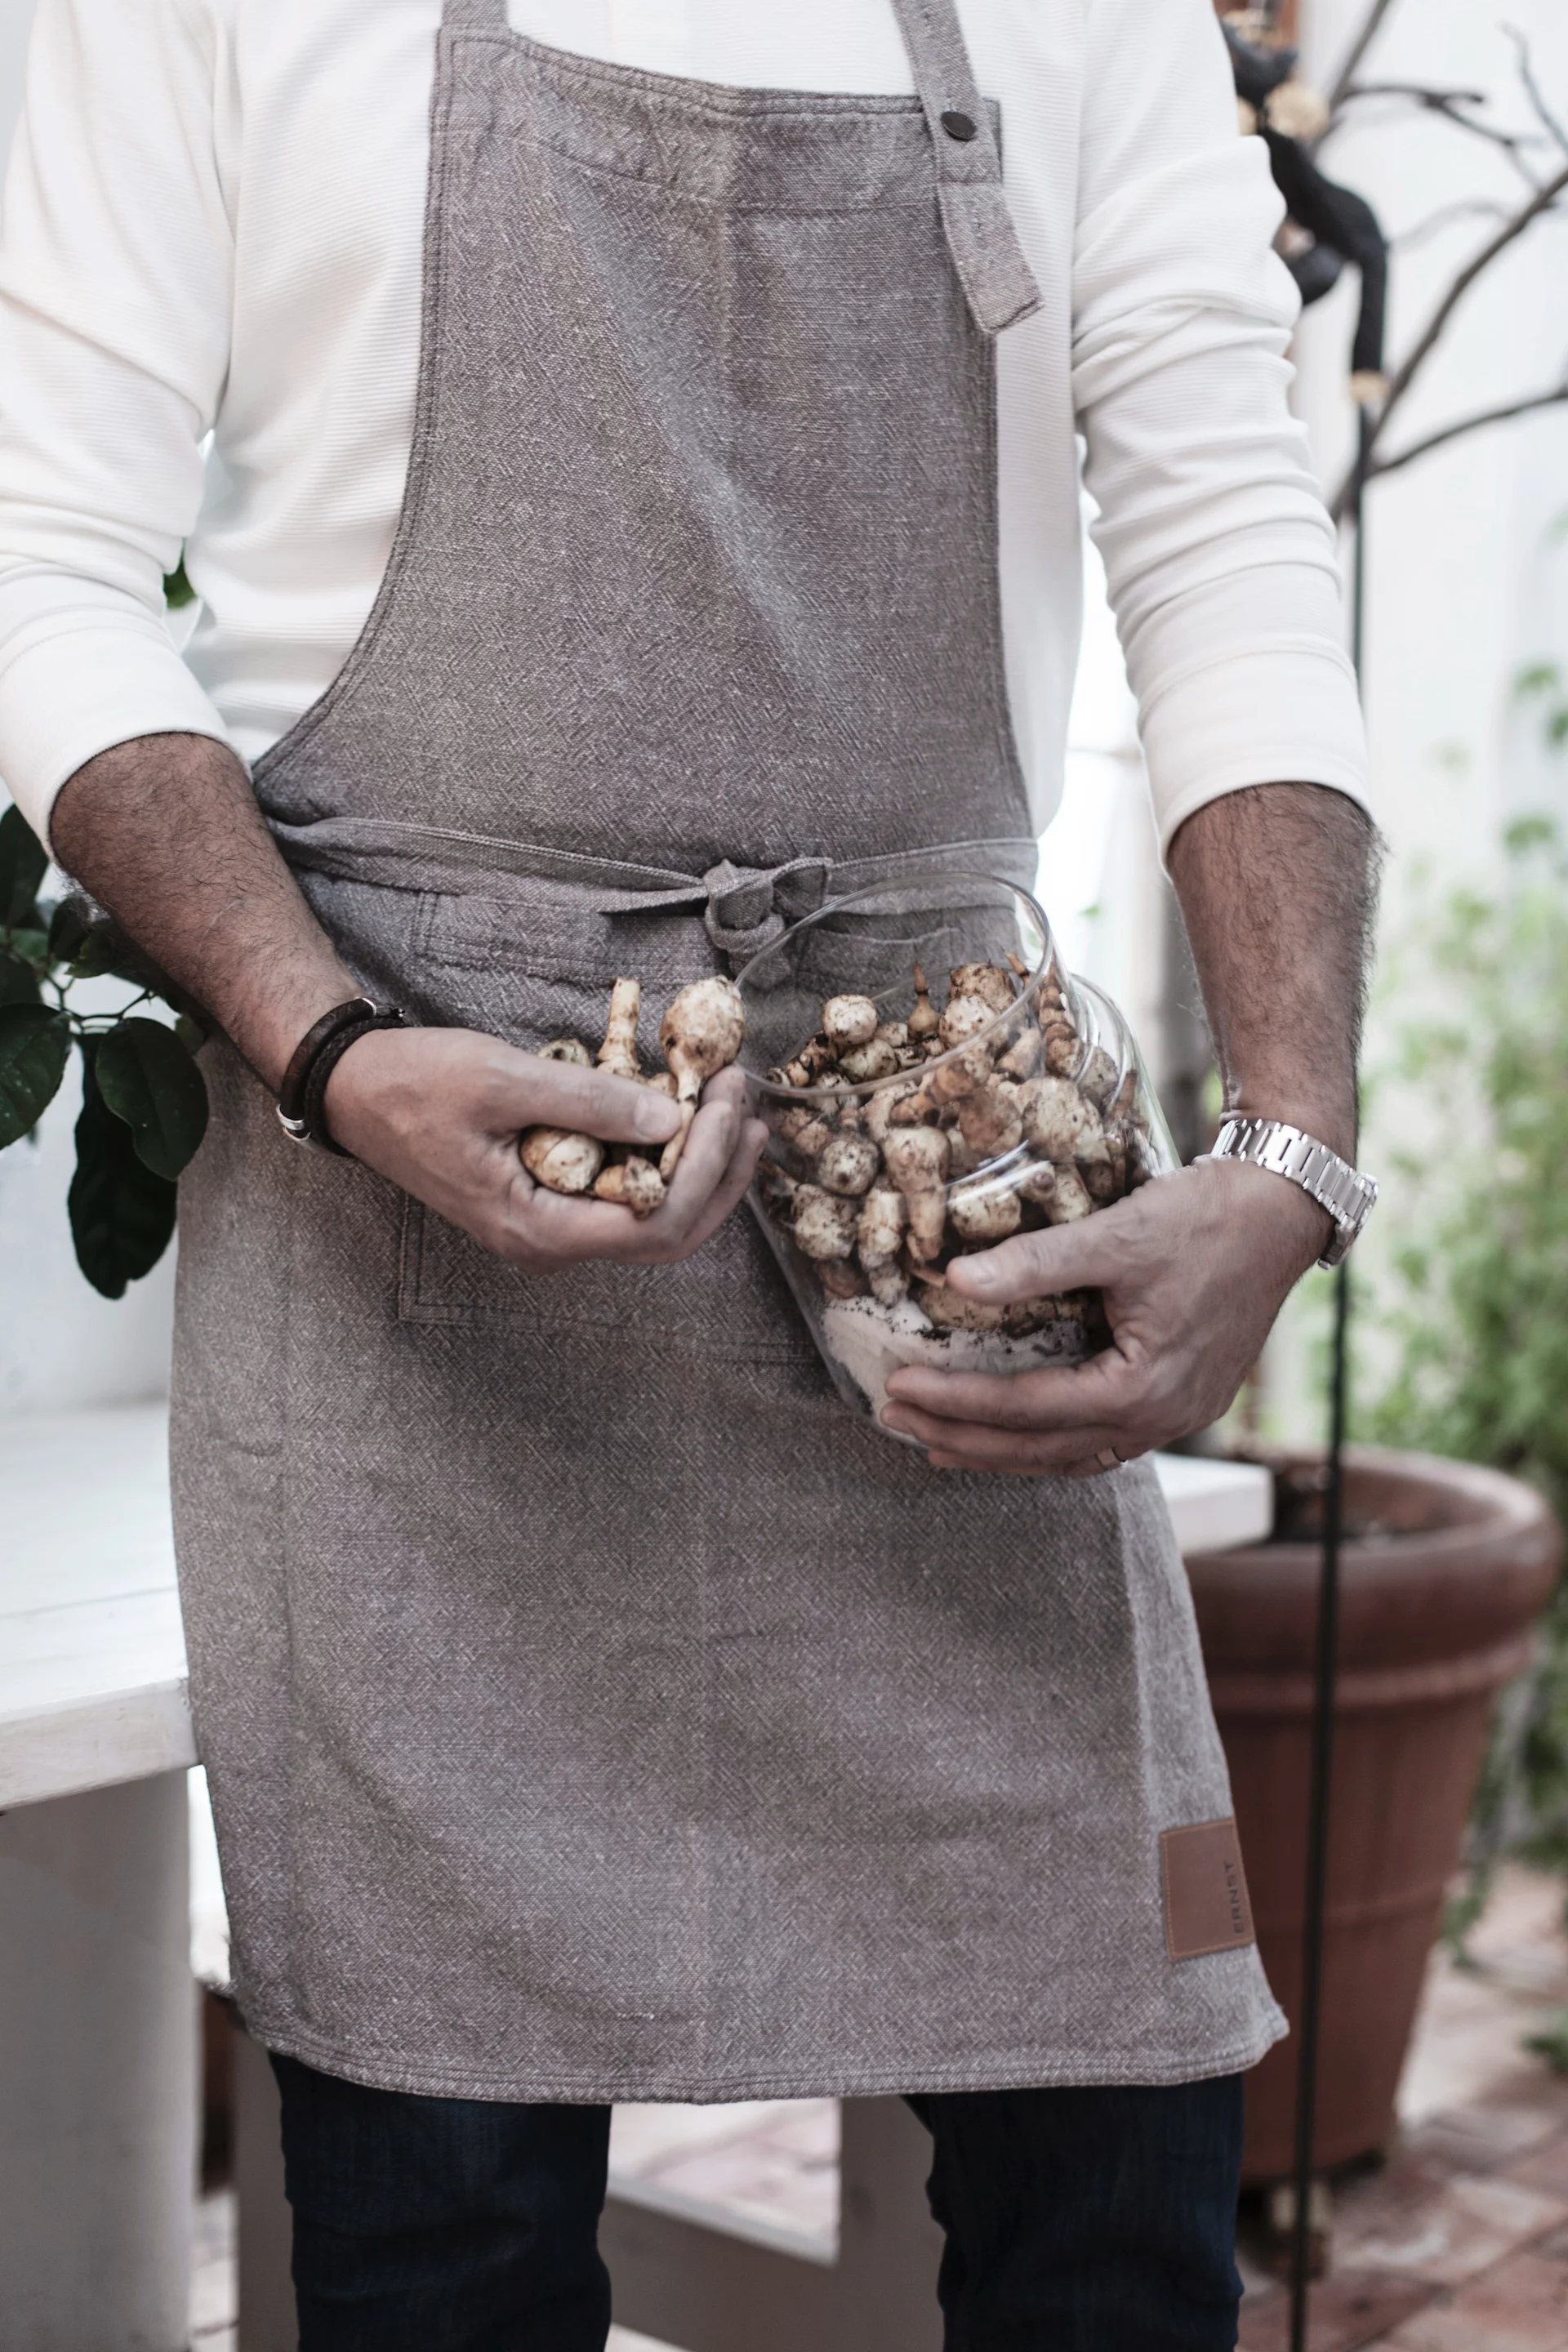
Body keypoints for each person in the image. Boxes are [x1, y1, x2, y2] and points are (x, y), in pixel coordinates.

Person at [0, 0, 1378, 2343]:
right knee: (443, 2236)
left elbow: (1228, 525)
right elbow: (31, 532)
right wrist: (331, 1049)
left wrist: (1296, 1153)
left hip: (948, 1205)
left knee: (1123, 2201)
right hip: (408, 1256)